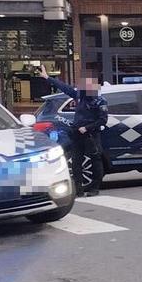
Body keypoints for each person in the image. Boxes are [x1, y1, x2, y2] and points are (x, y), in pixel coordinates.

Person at [40, 65, 108, 197]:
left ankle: (94, 188)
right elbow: (65, 88)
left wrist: (87, 128)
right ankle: (78, 189)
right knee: (76, 161)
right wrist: (47, 78)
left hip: (91, 134)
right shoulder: (80, 96)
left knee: (96, 159)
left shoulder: (100, 100)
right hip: (77, 133)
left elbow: (102, 120)